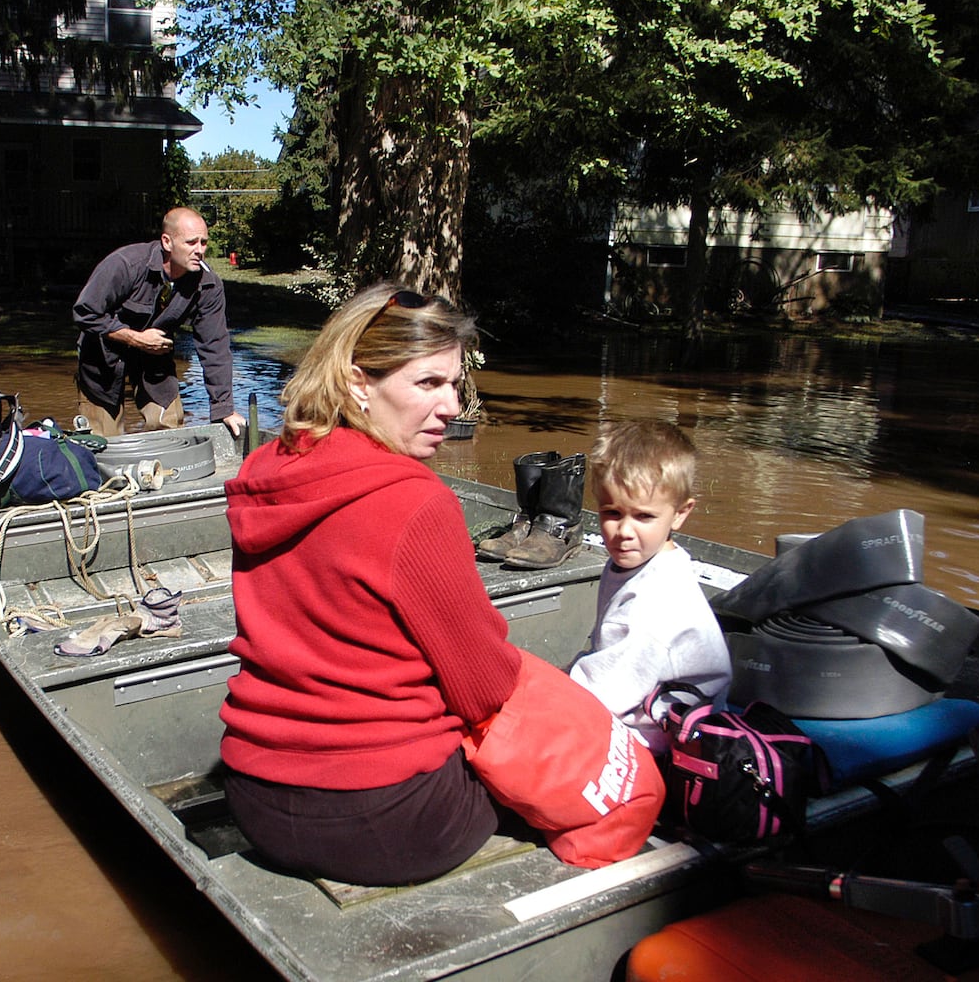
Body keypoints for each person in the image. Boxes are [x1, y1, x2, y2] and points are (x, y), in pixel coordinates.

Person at [219, 284, 523, 886]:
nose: (452, 406)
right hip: (388, 819)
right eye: (428, 384)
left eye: (455, 385)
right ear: (359, 383)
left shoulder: (264, 471)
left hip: (255, 800)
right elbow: (484, 687)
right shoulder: (416, 503)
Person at [567, 419, 731, 752]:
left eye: (643, 517)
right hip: (636, 698)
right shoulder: (642, 560)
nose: (624, 531)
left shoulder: (656, 604)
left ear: (680, 514)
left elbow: (603, 694)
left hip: (663, 740)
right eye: (612, 512)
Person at [72, 207, 246, 437]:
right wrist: (136, 338)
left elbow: (215, 347)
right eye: (191, 242)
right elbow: (85, 312)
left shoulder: (208, 285)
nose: (199, 251)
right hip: (102, 355)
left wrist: (224, 408)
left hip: (155, 356)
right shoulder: (126, 264)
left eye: (203, 243)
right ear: (167, 242)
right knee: (101, 443)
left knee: (172, 432)